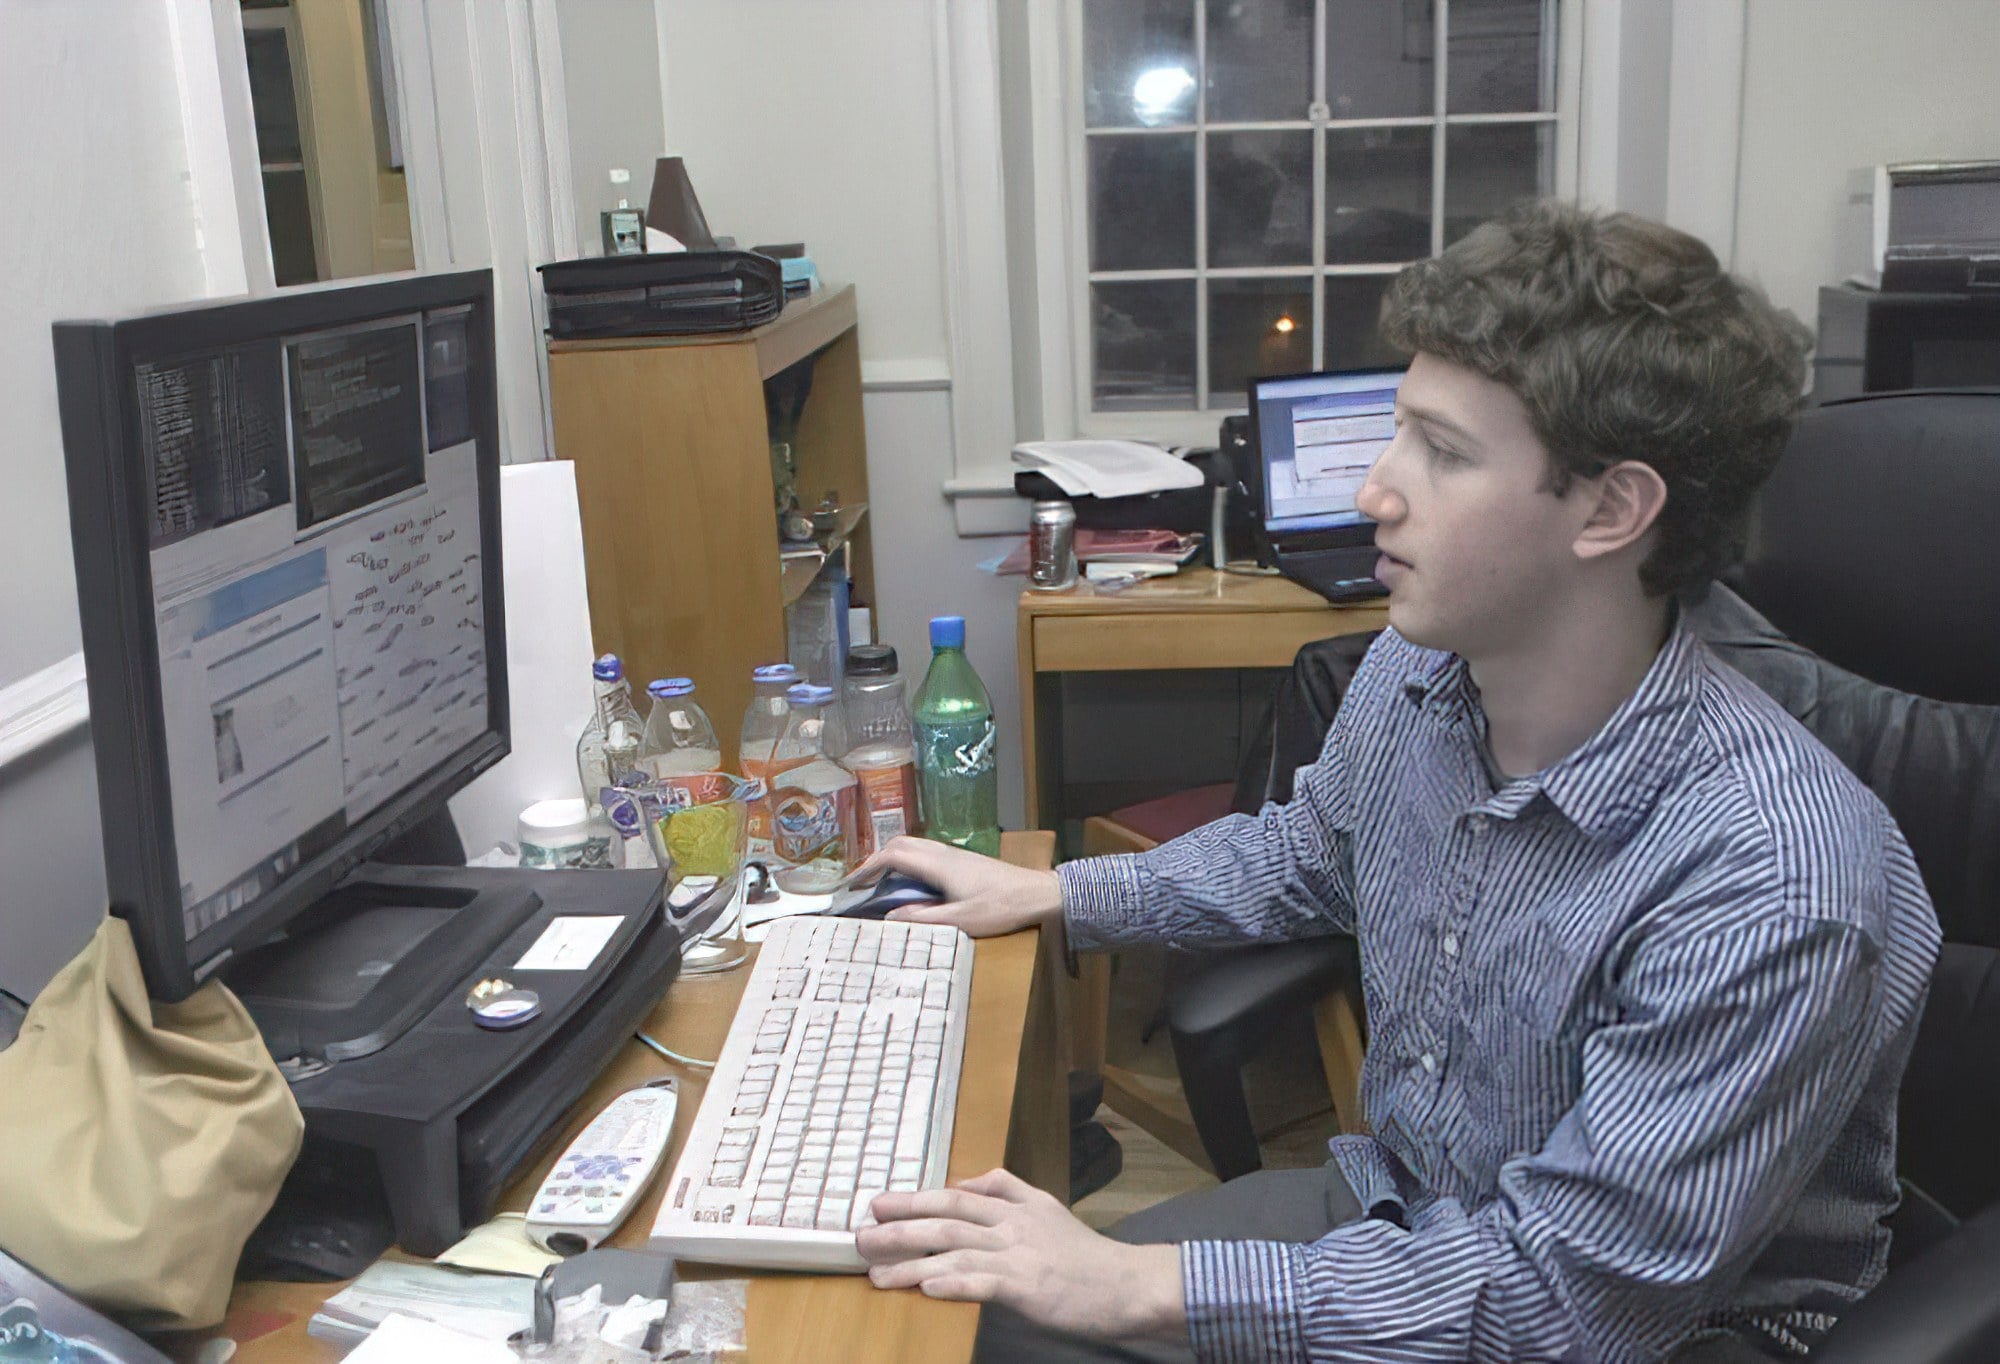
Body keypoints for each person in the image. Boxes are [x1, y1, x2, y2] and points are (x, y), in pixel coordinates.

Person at [852, 199, 1942, 1363]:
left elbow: (1560, 1303)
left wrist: (1134, 1283)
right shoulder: (1419, 666)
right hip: (1411, 1212)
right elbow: (1307, 853)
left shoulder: (1773, 877)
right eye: (1395, 431)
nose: (1373, 488)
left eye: (1442, 450)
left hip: (1650, 1331)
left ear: (1613, 508)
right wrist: (1059, 891)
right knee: (968, 1313)